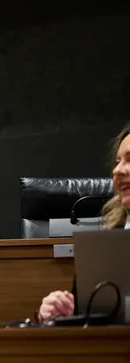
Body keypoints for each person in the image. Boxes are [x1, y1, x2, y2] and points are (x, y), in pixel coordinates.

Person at [38, 123, 130, 321]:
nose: (118, 171)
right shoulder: (106, 243)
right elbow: (88, 314)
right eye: (117, 162)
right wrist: (60, 312)